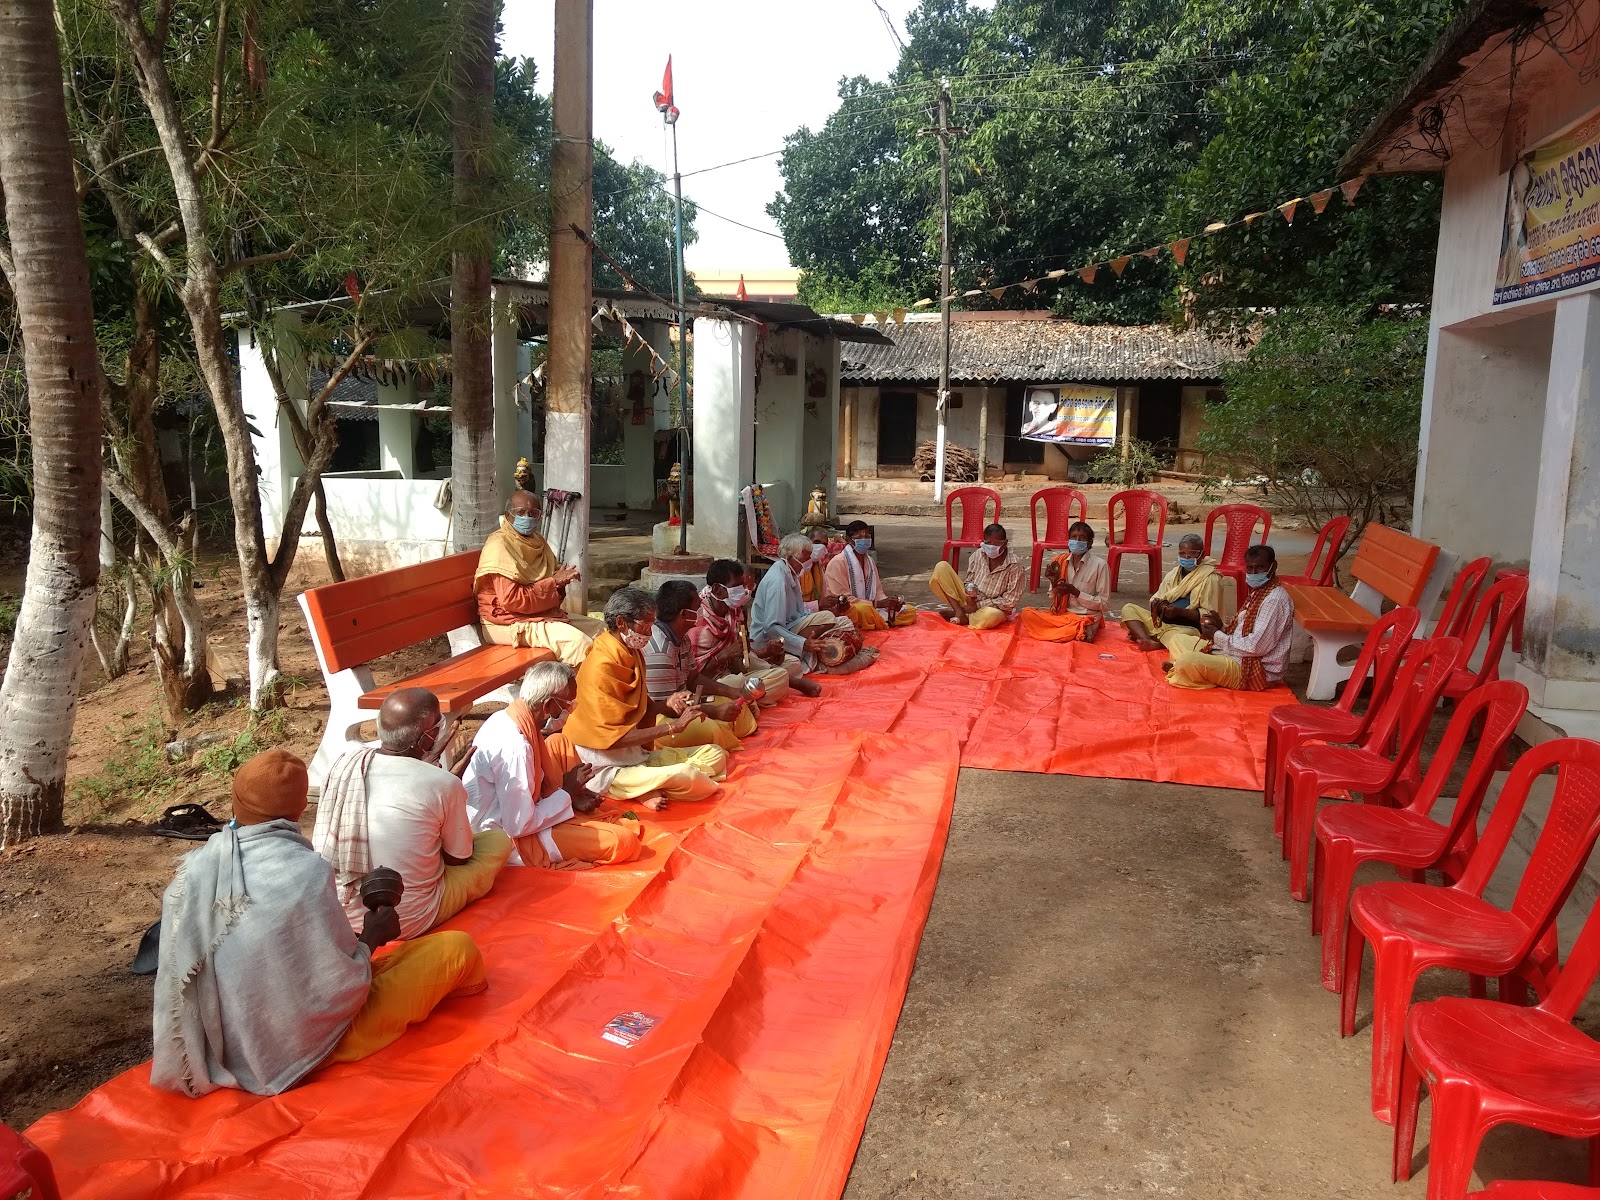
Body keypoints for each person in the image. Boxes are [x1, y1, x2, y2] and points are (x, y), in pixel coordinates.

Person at [152, 748, 486, 1097]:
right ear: (300, 810)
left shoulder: (195, 867)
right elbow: (339, 989)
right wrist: (373, 935)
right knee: (455, 948)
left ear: (235, 802)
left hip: (217, 1044)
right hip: (294, 1049)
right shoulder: (306, 870)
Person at [314, 687, 513, 941]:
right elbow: (458, 859)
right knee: (497, 841)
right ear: (427, 740)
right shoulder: (442, 783)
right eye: (440, 723)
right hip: (408, 920)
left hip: (343, 913)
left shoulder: (345, 762)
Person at [463, 661, 643, 869]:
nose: (570, 711)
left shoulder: (503, 717)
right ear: (548, 705)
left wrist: (568, 795)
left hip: (524, 811)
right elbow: (519, 825)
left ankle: (572, 808)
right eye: (567, 705)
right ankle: (570, 812)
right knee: (623, 841)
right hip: (510, 836)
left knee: (559, 742)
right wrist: (566, 792)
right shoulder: (517, 748)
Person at [562, 586, 729, 810]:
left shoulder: (632, 653)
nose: (650, 634)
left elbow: (644, 710)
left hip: (635, 754)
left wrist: (667, 703)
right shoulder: (600, 667)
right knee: (691, 777)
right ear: (622, 623)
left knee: (716, 753)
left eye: (652, 625)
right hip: (604, 765)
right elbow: (613, 739)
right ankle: (640, 786)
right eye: (646, 626)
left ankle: (647, 783)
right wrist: (674, 727)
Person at [474, 489, 604, 666]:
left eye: (533, 513)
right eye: (520, 512)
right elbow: (512, 601)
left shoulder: (537, 541)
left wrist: (561, 583)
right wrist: (554, 581)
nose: (527, 518)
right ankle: (585, 692)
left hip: (538, 615)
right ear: (507, 516)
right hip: (506, 624)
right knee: (580, 645)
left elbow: (552, 599)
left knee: (604, 633)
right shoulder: (499, 546)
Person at [643, 580, 762, 750]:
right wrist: (714, 712)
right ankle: (720, 737)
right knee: (712, 730)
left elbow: (693, 679)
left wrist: (734, 692)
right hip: (661, 719)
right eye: (698, 607)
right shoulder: (659, 651)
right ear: (684, 614)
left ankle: (725, 734)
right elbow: (666, 707)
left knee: (737, 706)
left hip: (688, 703)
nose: (701, 611)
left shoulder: (682, 637)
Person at [1166, 544, 1295, 691]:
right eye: (1250, 568)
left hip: (1252, 668)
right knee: (1177, 639)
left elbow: (1256, 647)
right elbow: (1243, 633)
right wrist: (1221, 627)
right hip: (1236, 654)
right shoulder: (1259, 592)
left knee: (1187, 661)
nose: (1254, 573)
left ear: (1273, 566)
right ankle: (1193, 672)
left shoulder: (1274, 600)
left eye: (1260, 568)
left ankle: (1187, 670)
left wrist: (1217, 635)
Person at [750, 533, 876, 675]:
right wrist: (802, 644)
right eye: (806, 558)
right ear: (792, 558)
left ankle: (815, 655)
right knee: (827, 618)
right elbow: (772, 627)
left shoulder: (790, 572)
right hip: (769, 640)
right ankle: (809, 657)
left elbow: (798, 612)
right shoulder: (777, 581)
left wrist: (830, 611)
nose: (809, 561)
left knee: (843, 621)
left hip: (791, 627)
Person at [689, 558, 815, 700]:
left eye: (745, 587)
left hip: (733, 669)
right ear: (718, 590)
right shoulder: (697, 623)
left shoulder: (733, 611)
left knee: (792, 664)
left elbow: (743, 657)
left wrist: (766, 652)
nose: (744, 592)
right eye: (737, 587)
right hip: (712, 682)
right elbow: (690, 678)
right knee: (741, 681)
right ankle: (749, 695)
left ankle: (751, 694)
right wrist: (724, 655)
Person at [1120, 533, 1224, 655]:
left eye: (1192, 554)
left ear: (1202, 555)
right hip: (1161, 622)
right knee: (1128, 608)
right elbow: (1157, 597)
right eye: (1182, 554)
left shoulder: (1210, 578)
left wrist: (1180, 612)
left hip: (1187, 628)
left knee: (1178, 638)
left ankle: (1151, 636)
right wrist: (1159, 605)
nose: (1187, 557)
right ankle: (1148, 639)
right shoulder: (1174, 573)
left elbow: (1210, 616)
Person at [1020, 521, 1110, 642]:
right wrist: (1053, 583)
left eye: (1082, 538)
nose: (1077, 541)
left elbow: (1104, 604)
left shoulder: (1100, 565)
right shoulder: (1060, 561)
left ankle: (1078, 630)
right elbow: (1053, 598)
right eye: (1074, 537)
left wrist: (1076, 592)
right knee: (1027, 613)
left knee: (1068, 630)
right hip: (1063, 616)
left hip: (1086, 616)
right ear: (1068, 540)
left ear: (1090, 543)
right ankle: (1078, 631)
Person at [824, 520, 917, 630]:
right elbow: (842, 600)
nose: (864, 540)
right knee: (864, 611)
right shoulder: (837, 563)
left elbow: (878, 592)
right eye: (859, 537)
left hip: (872, 607)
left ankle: (880, 621)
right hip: (849, 609)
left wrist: (889, 602)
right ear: (849, 539)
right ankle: (883, 621)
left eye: (867, 537)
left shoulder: (870, 561)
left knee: (910, 610)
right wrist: (876, 604)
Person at [929, 523, 1025, 629]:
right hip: (970, 601)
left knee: (991, 616)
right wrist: (970, 597)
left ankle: (964, 615)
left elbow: (1010, 601)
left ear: (1005, 543)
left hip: (992, 608)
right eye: (988, 543)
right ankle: (958, 611)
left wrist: (977, 606)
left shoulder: (1015, 565)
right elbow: (969, 581)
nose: (991, 547)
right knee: (941, 567)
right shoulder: (978, 555)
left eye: (996, 544)